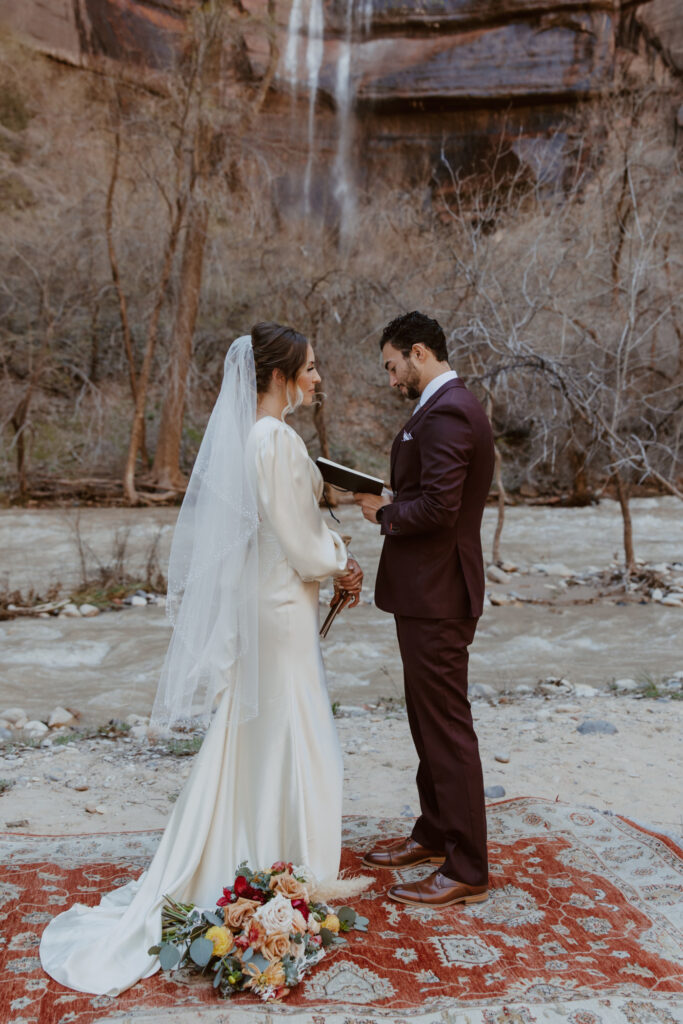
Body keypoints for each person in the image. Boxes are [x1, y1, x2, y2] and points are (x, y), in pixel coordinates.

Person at [40, 323, 363, 996]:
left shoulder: (250, 440)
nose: (317, 377)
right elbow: (299, 540)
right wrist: (341, 558)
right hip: (279, 607)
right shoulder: (273, 438)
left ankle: (271, 857)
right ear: (276, 376)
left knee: (270, 730)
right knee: (297, 733)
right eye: (309, 367)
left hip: (268, 600)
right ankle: (291, 864)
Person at [354, 311, 493, 909]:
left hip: (440, 596)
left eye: (392, 366)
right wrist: (390, 498)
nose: (390, 380)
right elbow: (432, 496)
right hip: (426, 592)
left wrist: (383, 515)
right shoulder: (438, 410)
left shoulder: (450, 412)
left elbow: (439, 509)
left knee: (446, 727)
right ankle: (436, 833)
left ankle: (467, 867)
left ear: (418, 351)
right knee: (425, 720)